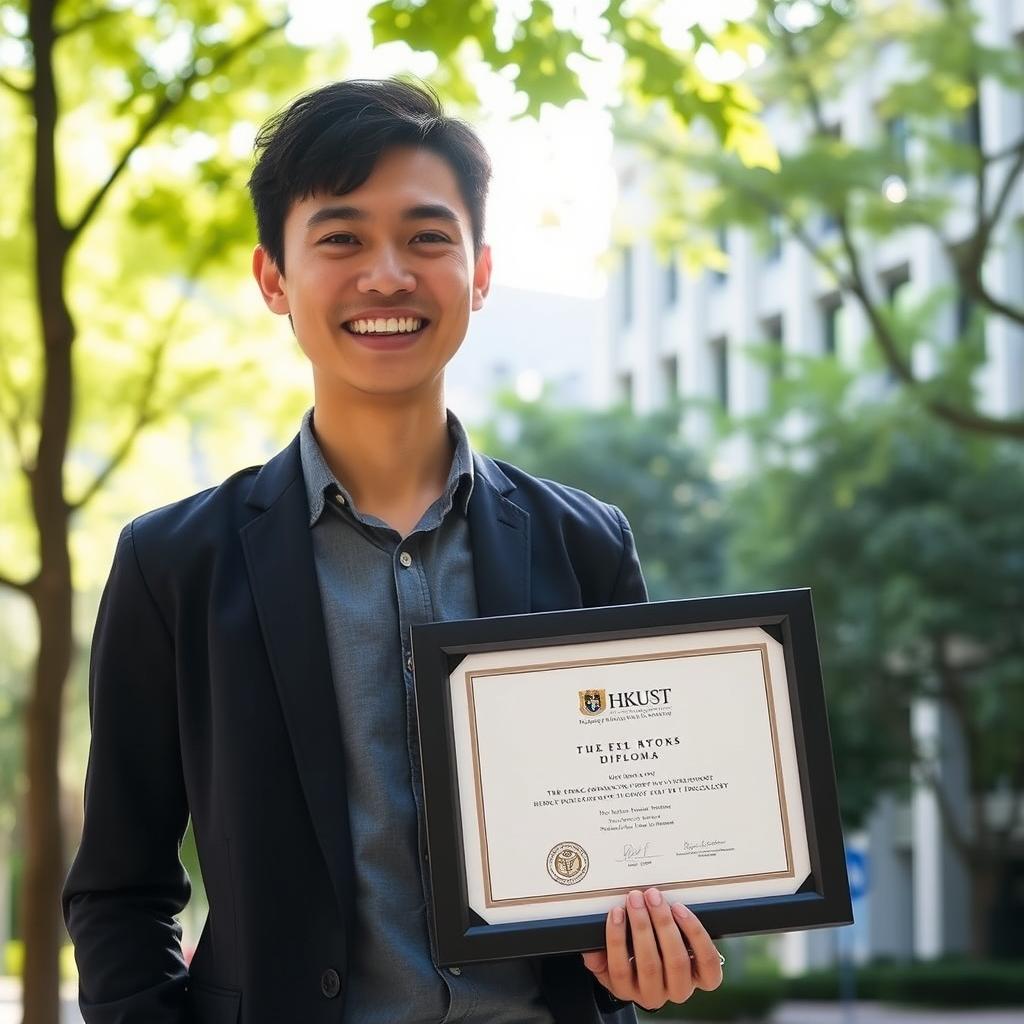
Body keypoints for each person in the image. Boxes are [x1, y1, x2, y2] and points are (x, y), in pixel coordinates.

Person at [62, 77, 723, 1024]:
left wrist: (651, 948)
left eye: (426, 237)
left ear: (480, 272)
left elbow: (637, 847)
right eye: (340, 238)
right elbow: (119, 887)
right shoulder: (176, 565)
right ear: (273, 280)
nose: (387, 274)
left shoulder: (585, 544)